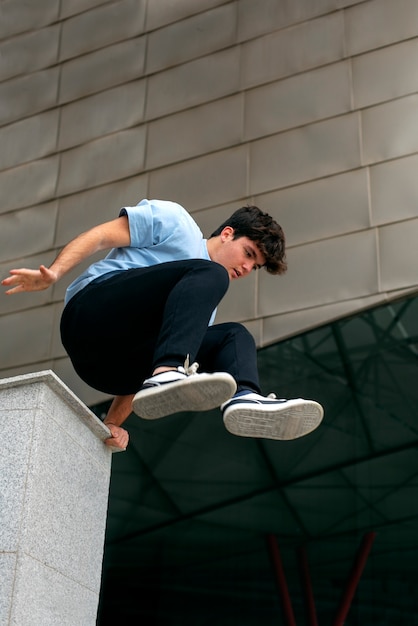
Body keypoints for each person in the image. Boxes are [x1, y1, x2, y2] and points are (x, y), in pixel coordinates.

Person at [2, 198, 323, 451]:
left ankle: (244, 397)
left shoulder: (197, 306)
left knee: (233, 335)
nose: (247, 267)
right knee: (209, 274)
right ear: (227, 234)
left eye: (255, 266)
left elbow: (148, 353)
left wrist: (112, 423)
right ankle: (169, 372)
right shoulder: (175, 222)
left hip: (106, 370)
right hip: (89, 317)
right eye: (248, 253)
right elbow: (101, 236)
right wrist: (55, 273)